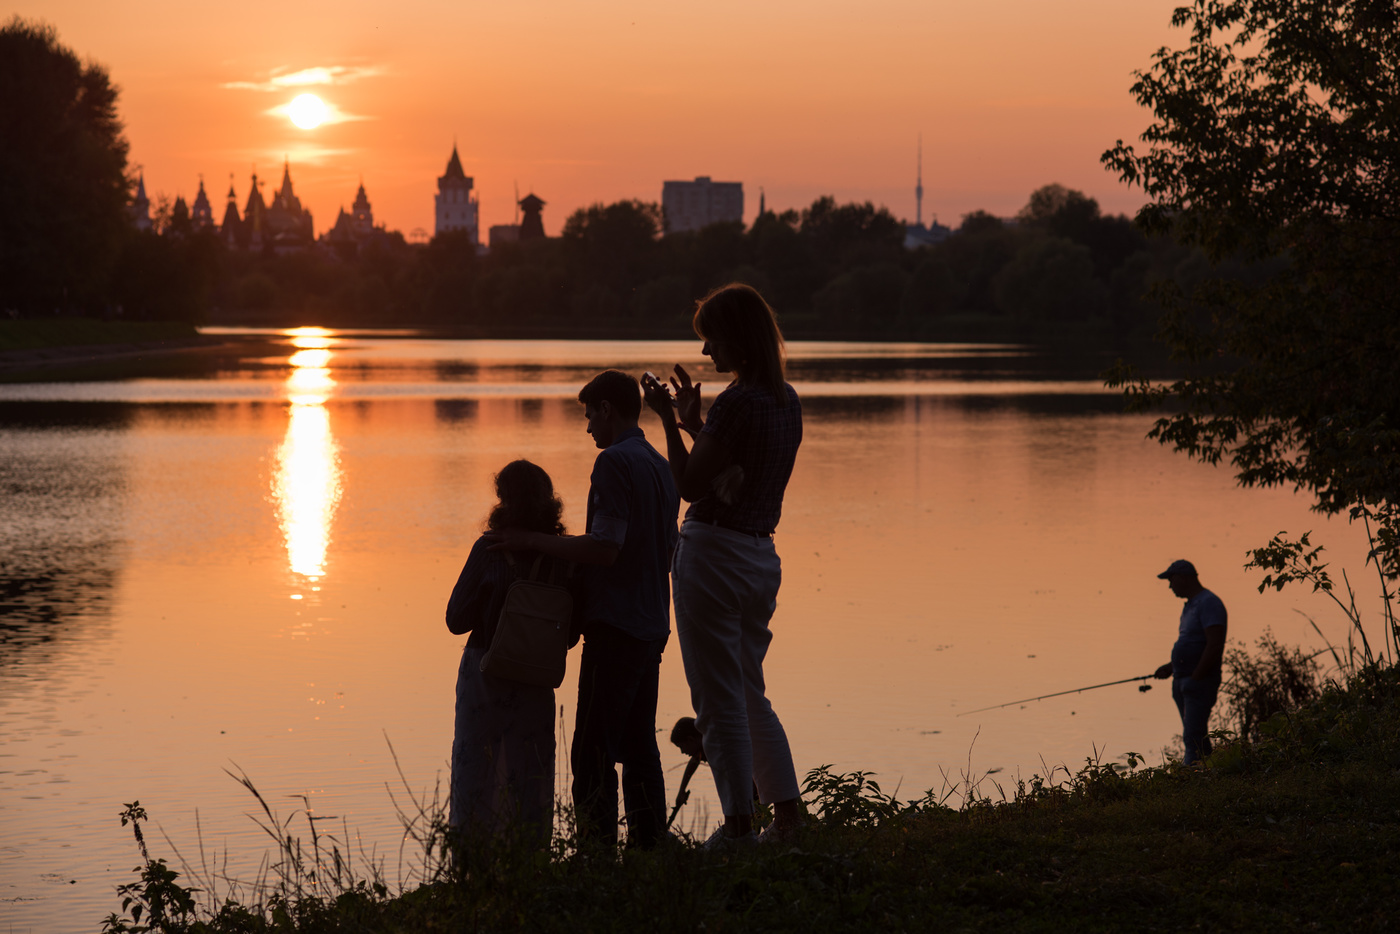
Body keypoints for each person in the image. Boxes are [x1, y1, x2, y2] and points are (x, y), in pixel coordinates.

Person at [642, 282, 805, 846]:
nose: (707, 353)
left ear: (736, 338)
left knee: (716, 699)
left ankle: (737, 827)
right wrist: (697, 424)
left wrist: (666, 418)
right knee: (747, 690)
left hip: (713, 554)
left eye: (711, 341)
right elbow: (737, 467)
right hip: (760, 555)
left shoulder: (737, 402)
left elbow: (691, 485)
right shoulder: (784, 399)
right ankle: (787, 817)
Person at [489, 370, 679, 849]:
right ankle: (649, 847)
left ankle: (595, 856)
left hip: (616, 625)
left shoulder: (614, 462)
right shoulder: (660, 464)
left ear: (608, 410)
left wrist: (534, 541)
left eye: (590, 415)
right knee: (638, 745)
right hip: (654, 623)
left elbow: (605, 547)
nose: (588, 426)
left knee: (591, 749)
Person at [444, 459, 573, 849]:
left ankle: (471, 867)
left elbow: (455, 619)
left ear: (503, 499)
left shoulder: (488, 549)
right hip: (536, 677)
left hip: (485, 672)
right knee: (529, 772)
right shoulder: (562, 553)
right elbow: (569, 633)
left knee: (475, 770)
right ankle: (530, 861)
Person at [1152, 559, 1228, 766]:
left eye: (1171, 580)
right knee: (1195, 733)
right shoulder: (1190, 606)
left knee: (1192, 735)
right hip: (1183, 679)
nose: (1170, 586)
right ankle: (1208, 771)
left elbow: (1214, 644)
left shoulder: (1209, 602)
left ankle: (1192, 776)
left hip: (1198, 682)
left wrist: (1196, 677)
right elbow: (1191, 643)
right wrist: (1171, 667)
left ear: (1183, 578)